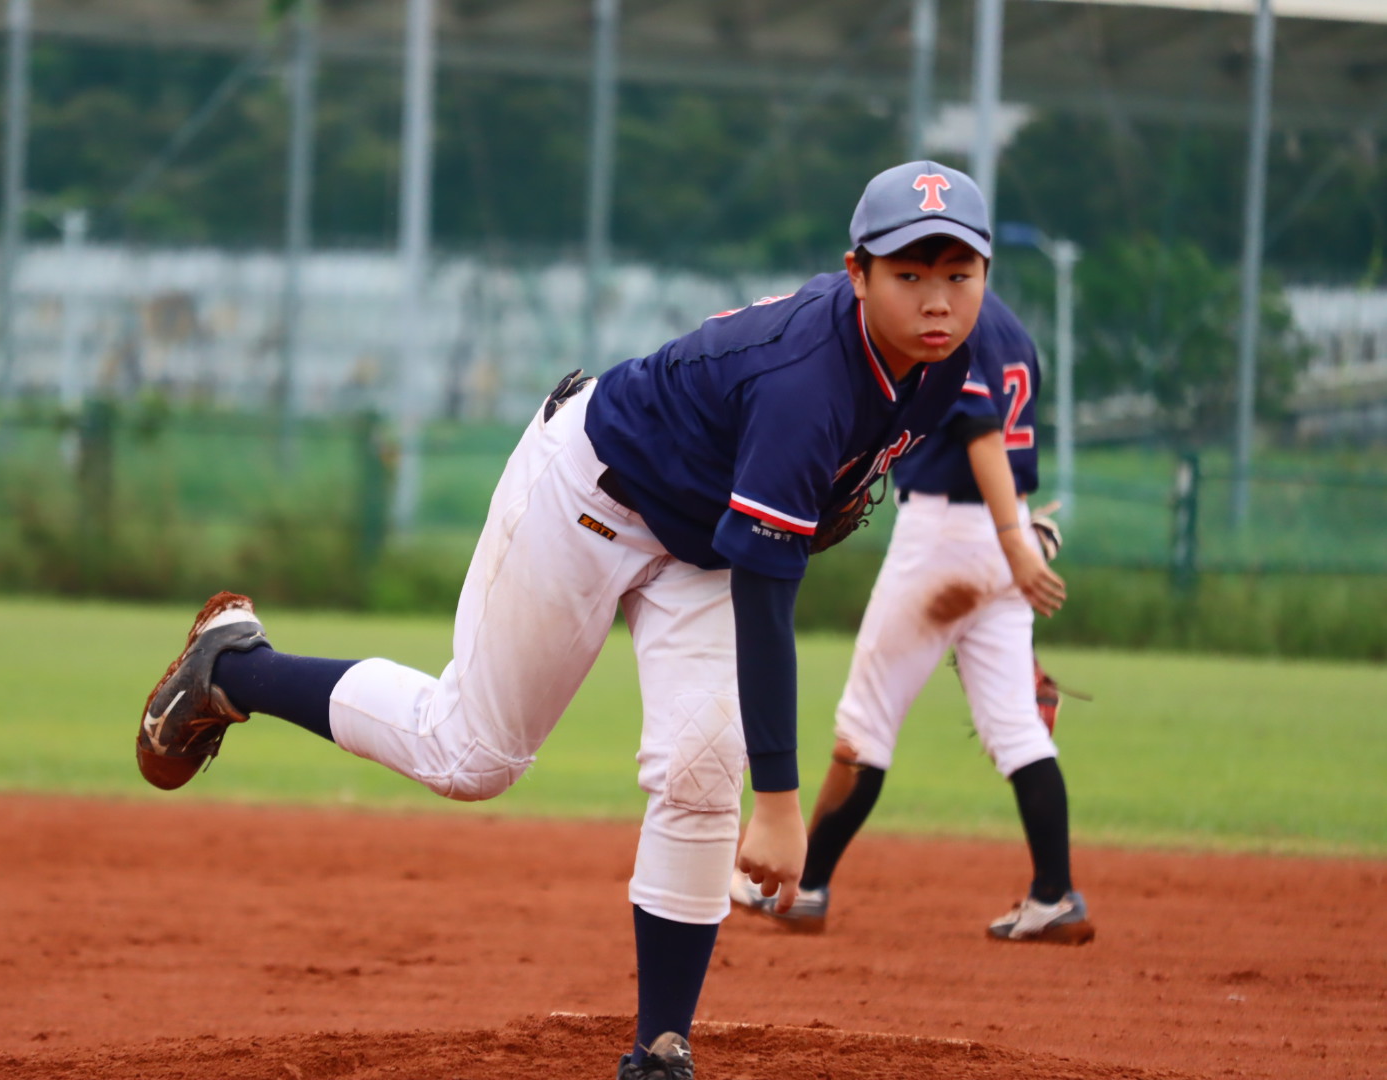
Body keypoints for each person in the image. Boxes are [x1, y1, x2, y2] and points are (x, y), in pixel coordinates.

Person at [135, 159, 995, 1079]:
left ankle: (660, 1050)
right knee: (470, 756)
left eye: (959, 273)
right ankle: (232, 667)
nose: (936, 299)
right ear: (857, 272)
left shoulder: (948, 357)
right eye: (908, 272)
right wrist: (782, 805)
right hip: (592, 497)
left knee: (703, 768)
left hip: (699, 539)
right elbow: (766, 592)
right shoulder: (805, 383)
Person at [728, 288, 1095, 946]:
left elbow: (981, 430)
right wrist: (1015, 538)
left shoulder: (942, 322)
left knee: (864, 726)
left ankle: (804, 887)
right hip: (1004, 530)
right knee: (1017, 729)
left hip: (945, 536)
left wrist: (1010, 542)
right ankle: (1054, 895)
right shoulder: (1015, 329)